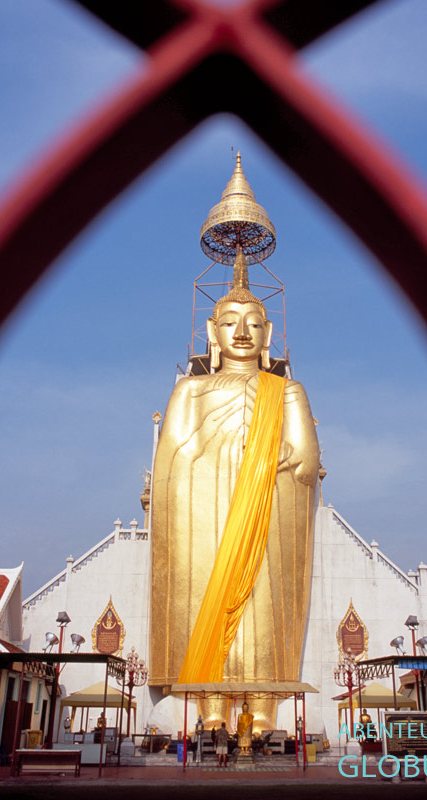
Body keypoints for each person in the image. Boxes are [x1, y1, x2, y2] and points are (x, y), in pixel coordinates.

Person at [150, 156, 319, 730]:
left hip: (267, 513)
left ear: (268, 333)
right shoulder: (190, 391)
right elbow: (171, 464)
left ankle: (264, 711)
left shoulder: (286, 390)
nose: (242, 330)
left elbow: (306, 463)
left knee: (266, 603)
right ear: (212, 331)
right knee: (204, 594)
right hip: (206, 520)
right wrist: (220, 467)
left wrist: (274, 463)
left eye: (253, 321)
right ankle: (211, 710)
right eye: (230, 321)